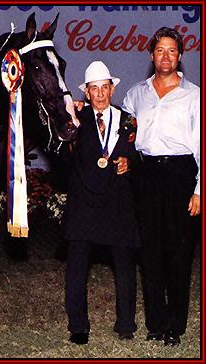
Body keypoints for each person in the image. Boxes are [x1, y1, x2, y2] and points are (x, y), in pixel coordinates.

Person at [122, 27, 200, 346]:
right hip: (146, 174)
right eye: (159, 50)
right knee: (149, 251)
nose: (165, 56)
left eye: (171, 50)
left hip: (181, 173)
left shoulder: (195, 95)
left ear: (180, 57)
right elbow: (123, 134)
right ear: (151, 55)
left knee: (179, 252)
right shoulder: (136, 93)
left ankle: (175, 325)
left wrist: (200, 190)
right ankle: (155, 323)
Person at [63, 61, 140, 345]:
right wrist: (70, 116)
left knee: (124, 264)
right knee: (76, 267)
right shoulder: (76, 120)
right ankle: (78, 326)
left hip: (117, 202)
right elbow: (62, 154)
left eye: (104, 87)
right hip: (84, 202)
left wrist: (128, 162)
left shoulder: (128, 120)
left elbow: (139, 156)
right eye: (93, 89)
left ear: (112, 88)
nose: (99, 94)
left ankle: (126, 324)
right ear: (87, 92)